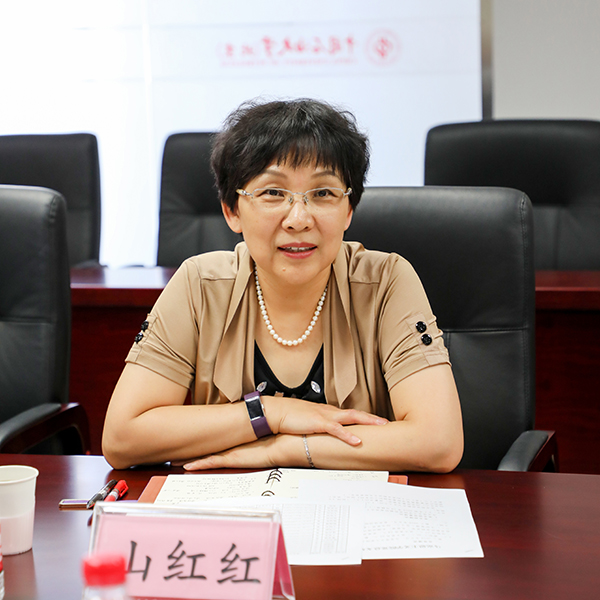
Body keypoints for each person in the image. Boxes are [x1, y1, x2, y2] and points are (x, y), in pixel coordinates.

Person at [102, 98, 463, 472]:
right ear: (232, 210)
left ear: (349, 209)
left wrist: (287, 449)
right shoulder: (200, 285)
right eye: (273, 192)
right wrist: (270, 413)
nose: (299, 218)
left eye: (323, 193)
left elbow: (438, 442)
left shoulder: (386, 282)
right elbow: (122, 438)